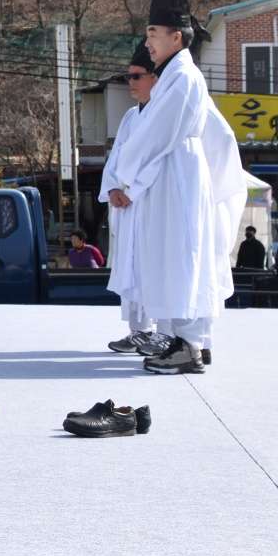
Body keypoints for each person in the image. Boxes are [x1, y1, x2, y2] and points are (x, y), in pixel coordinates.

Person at [103, 0, 245, 375]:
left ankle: (188, 345)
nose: (149, 42)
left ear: (176, 37)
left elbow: (155, 134)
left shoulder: (183, 77)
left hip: (177, 176)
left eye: (153, 33)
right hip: (171, 174)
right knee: (175, 255)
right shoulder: (173, 76)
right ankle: (185, 341)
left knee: (181, 256)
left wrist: (127, 176)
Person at [101, 43, 167, 357]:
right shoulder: (130, 116)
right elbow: (116, 158)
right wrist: (113, 188)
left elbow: (159, 159)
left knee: (155, 269)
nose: (131, 83)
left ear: (156, 78)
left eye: (137, 76)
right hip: (128, 207)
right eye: (128, 77)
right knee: (131, 269)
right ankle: (138, 331)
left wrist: (133, 189)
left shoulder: (165, 113)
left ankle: (164, 333)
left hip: (152, 204)